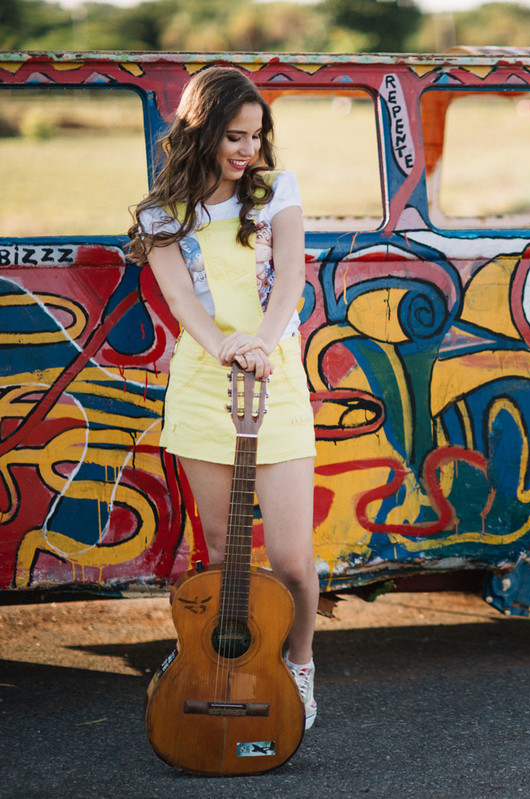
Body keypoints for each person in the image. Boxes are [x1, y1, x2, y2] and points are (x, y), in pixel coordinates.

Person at [128, 67, 318, 730]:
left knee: (292, 559)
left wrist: (262, 344)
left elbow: (291, 277)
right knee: (221, 555)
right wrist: (228, 349)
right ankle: (221, 665)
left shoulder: (275, 191)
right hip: (208, 386)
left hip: (276, 379)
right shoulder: (162, 214)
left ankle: (297, 667)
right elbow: (182, 301)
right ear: (201, 131)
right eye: (235, 137)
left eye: (257, 137)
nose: (248, 151)